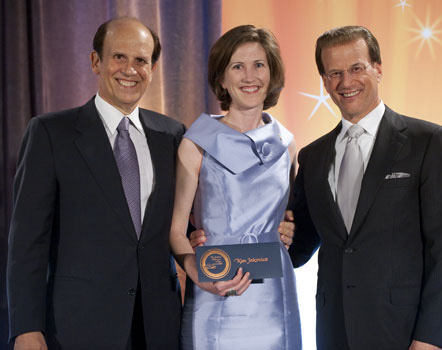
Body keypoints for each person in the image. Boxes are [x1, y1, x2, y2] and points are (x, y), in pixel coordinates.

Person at [7, 17, 185, 349]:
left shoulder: (173, 135)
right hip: (79, 326)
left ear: (153, 67)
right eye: (119, 57)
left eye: (141, 60)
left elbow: (179, 223)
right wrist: (26, 327)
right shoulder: (50, 133)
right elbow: (27, 242)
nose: (129, 69)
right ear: (95, 62)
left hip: (159, 324)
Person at [289, 25, 442, 350]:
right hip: (335, 331)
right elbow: (297, 247)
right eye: (334, 73)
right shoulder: (312, 157)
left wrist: (432, 338)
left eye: (357, 68)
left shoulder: (428, 142)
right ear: (325, 81)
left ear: (378, 68)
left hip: (404, 333)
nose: (346, 82)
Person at [169, 25, 302, 349]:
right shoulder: (196, 142)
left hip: (274, 297)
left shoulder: (287, 145)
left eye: (259, 64)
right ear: (222, 78)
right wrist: (195, 270)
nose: (249, 76)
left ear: (272, 73)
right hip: (214, 289)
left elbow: (289, 218)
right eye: (237, 66)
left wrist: (290, 229)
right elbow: (174, 229)